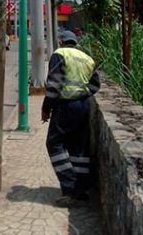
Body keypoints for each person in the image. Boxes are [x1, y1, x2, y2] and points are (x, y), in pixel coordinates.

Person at [41, 30, 101, 207]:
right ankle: (80, 190)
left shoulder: (60, 54)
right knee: (78, 148)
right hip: (83, 106)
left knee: (54, 143)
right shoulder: (87, 58)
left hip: (65, 106)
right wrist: (81, 94)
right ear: (75, 42)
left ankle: (70, 185)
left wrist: (46, 109)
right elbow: (96, 85)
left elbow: (54, 85)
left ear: (61, 41)